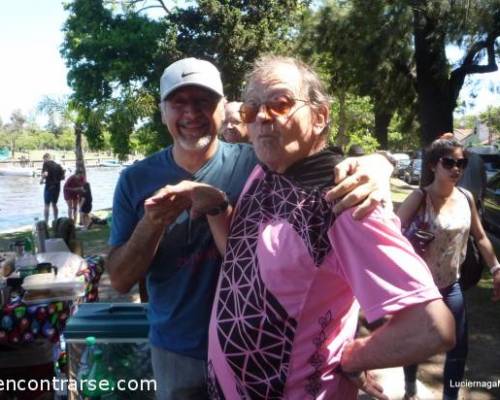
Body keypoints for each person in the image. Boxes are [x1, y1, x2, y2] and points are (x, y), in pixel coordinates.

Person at [151, 56, 455, 400]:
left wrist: (352, 357)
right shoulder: (264, 172)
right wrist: (217, 207)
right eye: (251, 111)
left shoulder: (346, 199)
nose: (263, 118)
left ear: (320, 115)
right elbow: (243, 259)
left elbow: (431, 326)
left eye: (280, 104)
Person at [106, 57, 395, 400]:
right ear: (162, 111)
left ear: (222, 108)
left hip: (266, 363)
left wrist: (380, 163)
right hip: (176, 351)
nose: (191, 114)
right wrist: (152, 223)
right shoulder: (135, 180)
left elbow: (323, 237)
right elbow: (121, 279)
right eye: (178, 103)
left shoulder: (257, 162)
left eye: (203, 102)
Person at [397, 137, 500, 400]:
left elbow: (480, 236)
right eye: (449, 162)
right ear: (433, 165)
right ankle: (410, 386)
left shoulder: (466, 197)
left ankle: (449, 397)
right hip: (419, 287)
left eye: (461, 163)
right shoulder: (420, 197)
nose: (457, 168)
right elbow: (391, 237)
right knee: (418, 341)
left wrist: (496, 268)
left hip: (451, 284)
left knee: (457, 345)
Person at [40, 153, 64, 224]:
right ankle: (56, 220)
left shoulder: (46, 164)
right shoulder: (58, 165)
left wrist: (42, 180)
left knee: (46, 204)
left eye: (43, 160)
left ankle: (46, 222)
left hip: (49, 187)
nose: (43, 161)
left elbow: (45, 174)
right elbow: (62, 177)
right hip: (57, 187)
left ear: (46, 158)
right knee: (54, 204)